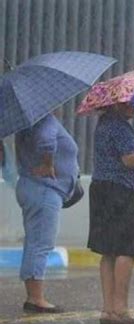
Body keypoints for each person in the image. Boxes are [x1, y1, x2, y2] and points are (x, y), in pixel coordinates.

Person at [87, 102, 134, 324]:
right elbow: (132, 160)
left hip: (104, 190)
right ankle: (120, 309)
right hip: (123, 193)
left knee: (109, 250)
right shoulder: (118, 127)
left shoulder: (104, 125)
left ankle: (108, 309)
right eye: (127, 103)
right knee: (127, 249)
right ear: (113, 104)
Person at [15, 113, 79, 313]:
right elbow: (46, 140)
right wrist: (48, 163)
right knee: (41, 243)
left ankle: (33, 295)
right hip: (44, 189)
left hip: (35, 188)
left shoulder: (25, 124)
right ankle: (36, 298)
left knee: (35, 241)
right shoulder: (43, 119)